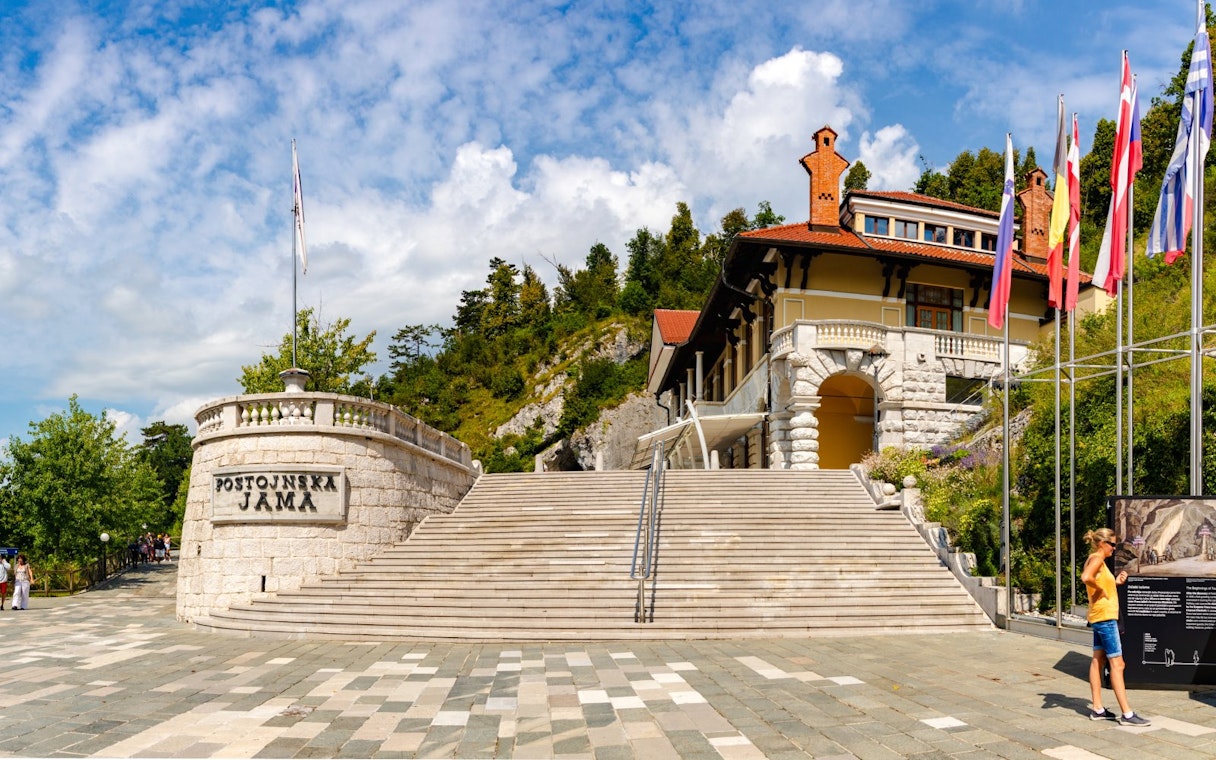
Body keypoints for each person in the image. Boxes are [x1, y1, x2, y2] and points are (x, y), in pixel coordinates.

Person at [1081, 528, 1150, 726]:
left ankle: (1098, 709)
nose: (1114, 548)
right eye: (1112, 544)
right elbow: (1086, 577)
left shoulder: (1095, 560)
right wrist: (1100, 588)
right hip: (1105, 619)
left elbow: (1094, 580)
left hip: (1098, 616)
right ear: (1102, 543)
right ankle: (1127, 714)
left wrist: (1114, 584)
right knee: (1118, 665)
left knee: (1098, 660)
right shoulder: (1096, 560)